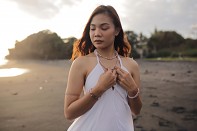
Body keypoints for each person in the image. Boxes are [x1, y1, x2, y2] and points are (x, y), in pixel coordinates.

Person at [64, 5, 142, 131]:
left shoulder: (131, 65)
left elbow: (136, 110)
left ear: (116, 30)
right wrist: (99, 89)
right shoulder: (81, 63)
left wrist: (133, 90)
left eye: (104, 28)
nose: (97, 34)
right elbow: (69, 113)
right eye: (93, 29)